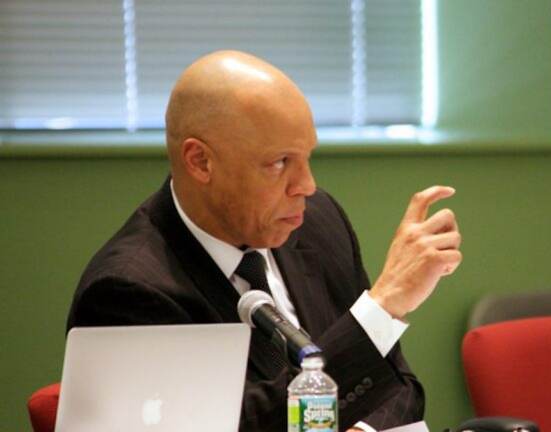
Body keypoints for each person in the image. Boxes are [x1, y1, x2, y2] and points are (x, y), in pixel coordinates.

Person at [67, 50, 462, 432]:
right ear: (201, 161)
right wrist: (384, 307)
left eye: (308, 158)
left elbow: (394, 382)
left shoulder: (317, 223)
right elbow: (238, 426)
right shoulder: (128, 292)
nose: (307, 186)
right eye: (278, 163)